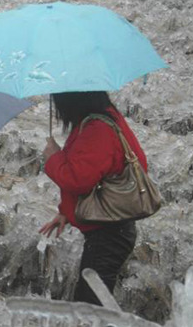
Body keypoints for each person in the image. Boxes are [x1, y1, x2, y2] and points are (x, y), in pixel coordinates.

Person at [40, 91, 147, 305]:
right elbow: (95, 172)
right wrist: (66, 212)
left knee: (91, 310)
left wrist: (53, 158)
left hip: (109, 234)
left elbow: (79, 180)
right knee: (93, 304)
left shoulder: (97, 129)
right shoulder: (101, 118)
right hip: (111, 227)